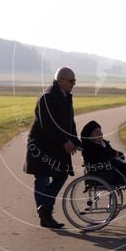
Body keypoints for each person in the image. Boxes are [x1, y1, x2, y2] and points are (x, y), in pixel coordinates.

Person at [24, 67, 80, 228]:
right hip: (42, 147)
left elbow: (70, 122)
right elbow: (48, 124)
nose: (73, 84)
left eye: (74, 81)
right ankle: (46, 215)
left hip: (55, 146)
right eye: (71, 81)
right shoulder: (47, 97)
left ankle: (44, 210)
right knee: (42, 178)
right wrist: (65, 142)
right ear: (61, 80)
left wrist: (75, 141)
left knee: (60, 174)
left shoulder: (65, 95)